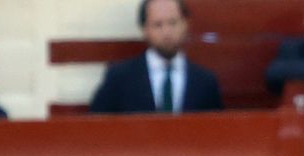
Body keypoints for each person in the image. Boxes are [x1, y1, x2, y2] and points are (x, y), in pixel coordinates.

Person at [90, 0, 223, 114]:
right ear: (145, 29)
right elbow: (96, 129)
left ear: (185, 24)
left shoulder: (206, 82)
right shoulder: (118, 78)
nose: (166, 33)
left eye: (173, 23)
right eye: (157, 25)